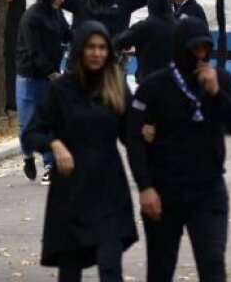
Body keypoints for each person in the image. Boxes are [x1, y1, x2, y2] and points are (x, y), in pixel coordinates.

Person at [126, 17, 231, 282]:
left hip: (208, 191)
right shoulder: (154, 86)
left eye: (205, 49)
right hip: (164, 191)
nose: (200, 55)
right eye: (194, 49)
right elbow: (134, 137)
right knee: (160, 269)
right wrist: (144, 186)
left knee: (212, 265)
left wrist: (217, 94)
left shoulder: (221, 79)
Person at [24, 21, 138, 282]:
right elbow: (32, 133)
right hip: (71, 194)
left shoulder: (116, 87)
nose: (97, 53)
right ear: (79, 50)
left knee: (111, 268)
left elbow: (132, 135)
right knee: (70, 271)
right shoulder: (61, 89)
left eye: (102, 48)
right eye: (91, 47)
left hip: (109, 190)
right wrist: (54, 144)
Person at [16, 0, 72, 183]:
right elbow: (33, 50)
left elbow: (67, 34)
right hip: (30, 76)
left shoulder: (57, 14)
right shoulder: (31, 17)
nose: (62, 0)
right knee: (28, 123)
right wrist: (51, 72)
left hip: (52, 76)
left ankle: (50, 164)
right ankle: (28, 156)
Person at [114, 0, 179, 84]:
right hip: (173, 80)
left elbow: (119, 41)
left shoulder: (143, 26)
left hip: (148, 81)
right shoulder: (179, 26)